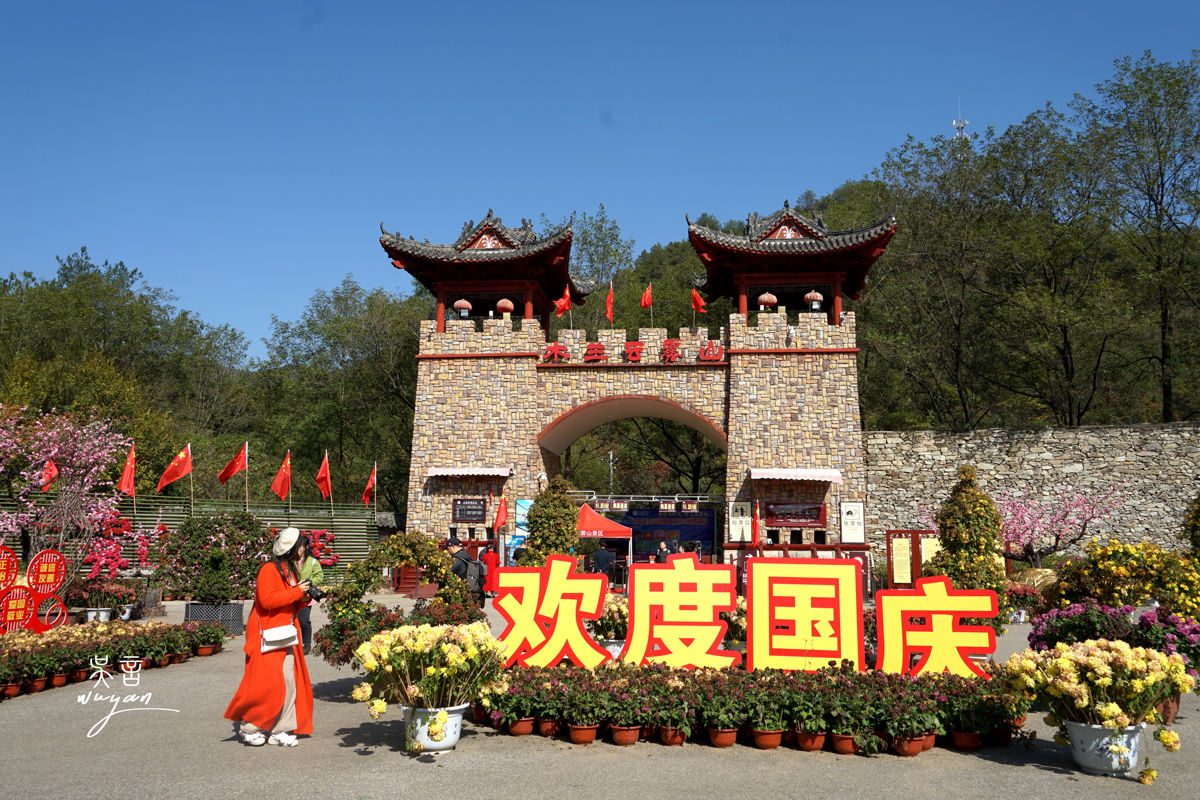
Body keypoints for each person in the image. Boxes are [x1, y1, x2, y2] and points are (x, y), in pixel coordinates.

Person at [224, 527, 314, 747]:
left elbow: (291, 603)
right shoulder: (268, 569)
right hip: (267, 634)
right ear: (294, 548)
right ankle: (249, 727)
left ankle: (279, 730)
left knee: (288, 680)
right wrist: (296, 592)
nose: (305, 548)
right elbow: (267, 601)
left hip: (285, 633)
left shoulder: (290, 570)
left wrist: (305, 596)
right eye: (302, 544)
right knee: (264, 682)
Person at [296, 535, 324, 654]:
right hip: (291, 593)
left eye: (301, 545)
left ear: (306, 546)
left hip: (305, 596)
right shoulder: (290, 560)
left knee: (304, 621)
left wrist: (309, 582)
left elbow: (319, 576)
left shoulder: (313, 562)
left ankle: (306, 644)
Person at [447, 536, 483, 607]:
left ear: (453, 546)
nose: (448, 551)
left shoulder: (457, 559)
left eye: (448, 549)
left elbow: (448, 571)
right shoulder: (466, 556)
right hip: (468, 588)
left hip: (459, 590)